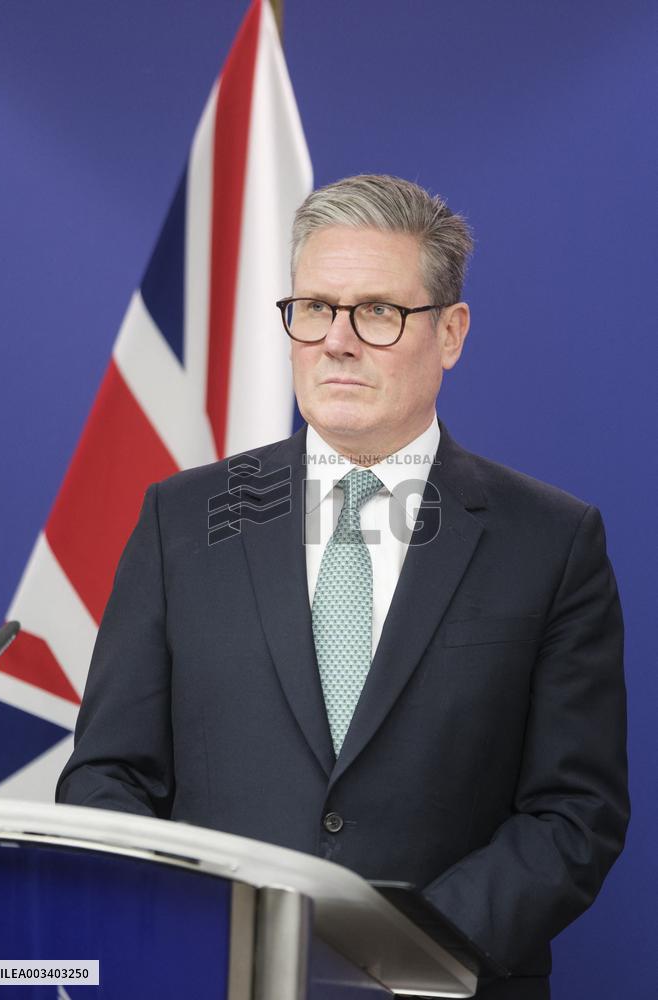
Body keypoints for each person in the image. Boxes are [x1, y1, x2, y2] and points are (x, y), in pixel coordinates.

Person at [57, 175, 629, 998]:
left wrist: (399, 953)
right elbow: (108, 776)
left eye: (378, 312)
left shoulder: (552, 541)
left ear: (451, 333)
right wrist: (196, 939)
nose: (337, 341)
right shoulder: (179, 521)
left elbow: (574, 814)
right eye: (315, 308)